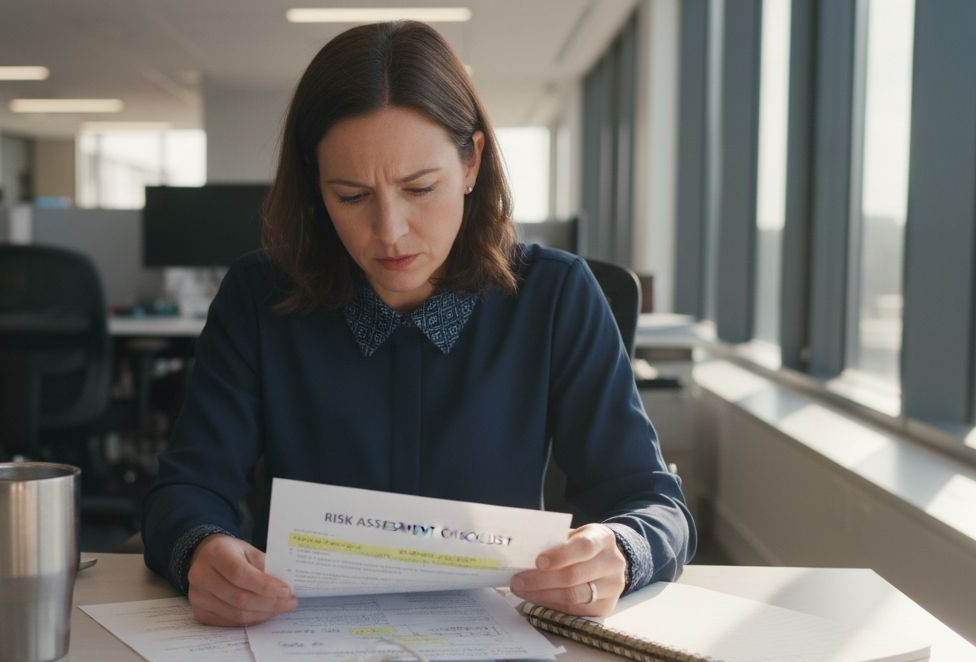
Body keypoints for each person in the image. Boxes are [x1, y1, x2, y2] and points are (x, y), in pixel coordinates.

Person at [142, 21, 695, 627]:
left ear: (470, 163)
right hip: (303, 647)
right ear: (314, 186)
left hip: (501, 647)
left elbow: (653, 503)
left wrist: (619, 550)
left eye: (420, 188)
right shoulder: (259, 295)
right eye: (351, 195)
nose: (390, 231)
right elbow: (185, 491)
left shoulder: (555, 294)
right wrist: (200, 549)